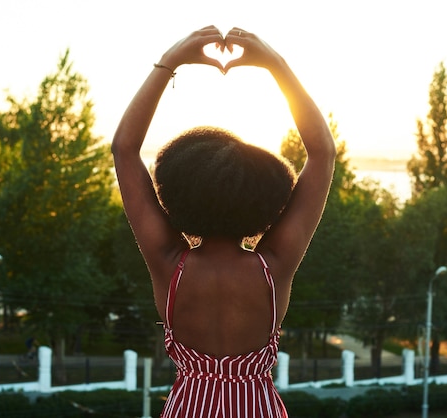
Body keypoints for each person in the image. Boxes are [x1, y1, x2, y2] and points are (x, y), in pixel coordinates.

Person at [112, 25, 335, 418]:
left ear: (178, 195)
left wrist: (171, 60)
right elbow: (322, 154)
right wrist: (275, 65)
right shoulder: (274, 266)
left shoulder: (169, 264)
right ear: (263, 200)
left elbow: (124, 149)